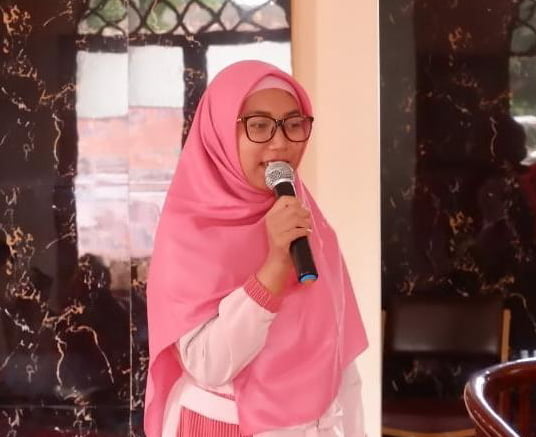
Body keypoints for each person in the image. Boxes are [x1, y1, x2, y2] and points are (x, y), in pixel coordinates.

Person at [143, 60, 369, 437]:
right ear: (220, 134)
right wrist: (274, 269)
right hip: (220, 426)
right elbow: (208, 365)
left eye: (293, 124)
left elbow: (339, 358)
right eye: (259, 125)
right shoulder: (189, 232)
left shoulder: (307, 221)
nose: (280, 143)